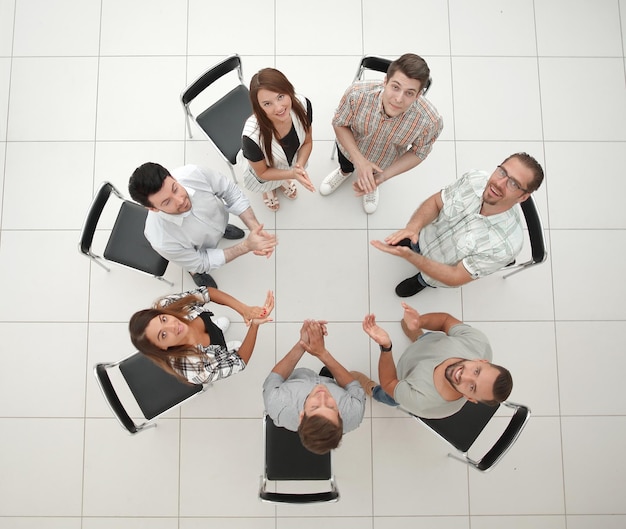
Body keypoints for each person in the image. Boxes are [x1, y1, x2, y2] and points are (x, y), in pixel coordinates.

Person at [371, 152, 545, 297]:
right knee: (413, 241)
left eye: (513, 184)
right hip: (424, 236)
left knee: (428, 278)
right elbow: (436, 203)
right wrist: (413, 228)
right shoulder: (475, 179)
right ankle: (413, 243)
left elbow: (455, 277)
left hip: (438, 272)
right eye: (502, 172)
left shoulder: (505, 247)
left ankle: (420, 281)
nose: (499, 184)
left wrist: (415, 259)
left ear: (523, 197)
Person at [319, 53, 443, 214]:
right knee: (346, 164)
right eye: (395, 87)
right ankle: (344, 171)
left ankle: (373, 183)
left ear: (419, 95)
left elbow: (419, 152)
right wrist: (360, 161)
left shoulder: (430, 121)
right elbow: (340, 124)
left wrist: (381, 178)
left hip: (385, 162)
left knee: (376, 173)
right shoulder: (356, 94)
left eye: (409, 93)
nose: (398, 99)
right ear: (385, 81)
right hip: (350, 149)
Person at [129, 163, 277, 288]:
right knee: (196, 266)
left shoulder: (193, 173)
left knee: (219, 227)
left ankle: (222, 230)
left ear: (173, 178)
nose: (180, 200)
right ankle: (195, 274)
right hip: (195, 253)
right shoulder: (161, 240)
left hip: (218, 220)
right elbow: (202, 261)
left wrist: (254, 228)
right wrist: (245, 246)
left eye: (175, 188)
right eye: (167, 202)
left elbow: (230, 192)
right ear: (153, 209)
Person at [351, 303, 512, 419]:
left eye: (472, 387)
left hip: (402, 379)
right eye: (476, 371)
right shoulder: (479, 344)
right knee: (425, 339)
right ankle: (416, 334)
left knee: (387, 395)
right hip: (428, 343)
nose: (463, 375)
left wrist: (386, 347)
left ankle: (370, 388)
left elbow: (389, 382)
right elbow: (445, 321)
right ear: (481, 360)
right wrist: (419, 322)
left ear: (470, 398)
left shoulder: (425, 403)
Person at [129, 287, 274, 385]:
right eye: (164, 334)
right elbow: (239, 362)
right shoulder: (196, 370)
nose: (173, 326)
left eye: (164, 319)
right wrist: (254, 324)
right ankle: (222, 352)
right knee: (222, 352)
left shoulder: (167, 305)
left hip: (210, 331)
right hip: (209, 355)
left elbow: (206, 293)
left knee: (215, 330)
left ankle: (217, 331)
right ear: (162, 348)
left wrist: (244, 309)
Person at [263, 320, 366, 454]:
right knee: (328, 379)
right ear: (340, 415)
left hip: (300, 378)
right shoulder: (354, 413)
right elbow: (352, 385)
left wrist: (302, 344)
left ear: (301, 416)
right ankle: (327, 378)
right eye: (330, 406)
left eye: (314, 407)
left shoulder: (278, 403)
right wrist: (322, 354)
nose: (322, 394)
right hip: (331, 382)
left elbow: (275, 378)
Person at [242, 68, 315, 211]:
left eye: (280, 96)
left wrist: (298, 168)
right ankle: (269, 189)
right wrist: (292, 174)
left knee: (283, 174)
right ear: (259, 107)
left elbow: (307, 141)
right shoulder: (251, 138)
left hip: (290, 163)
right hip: (265, 170)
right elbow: (262, 172)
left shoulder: (303, 105)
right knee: (267, 183)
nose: (279, 108)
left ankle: (281, 181)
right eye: (267, 103)